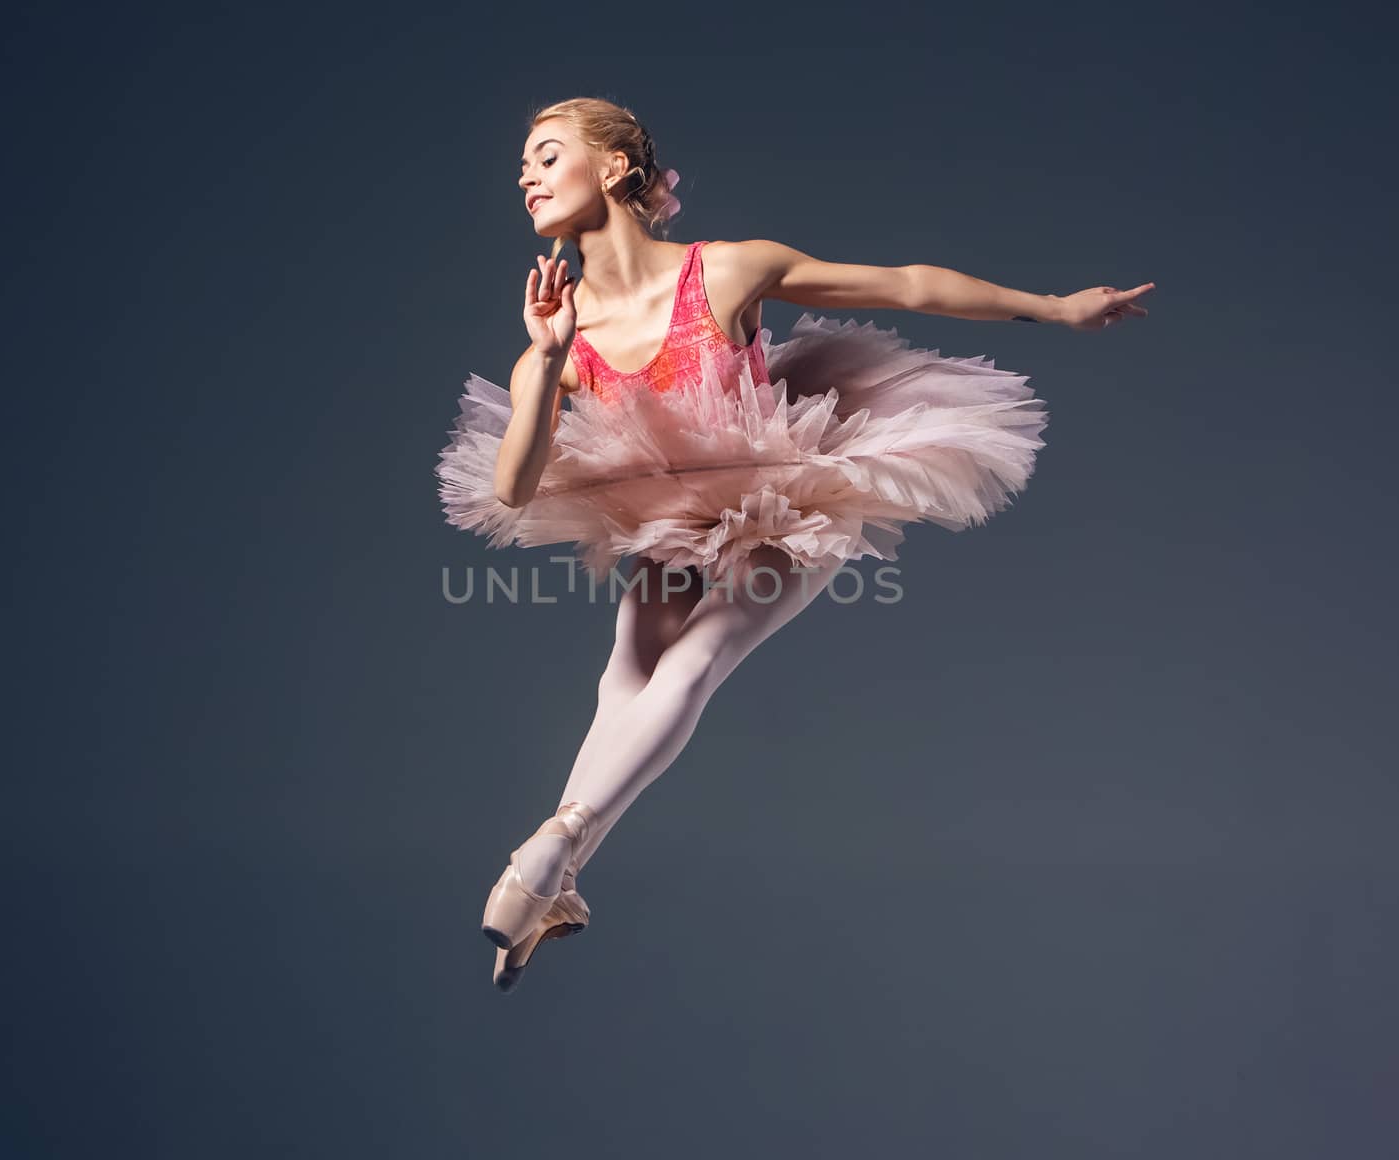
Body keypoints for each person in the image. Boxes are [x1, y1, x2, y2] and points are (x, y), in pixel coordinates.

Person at [435, 96, 1154, 992]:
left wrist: (1054, 308)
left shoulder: (724, 270)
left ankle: (553, 856)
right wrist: (545, 361)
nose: (526, 176)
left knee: (690, 657)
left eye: (546, 155)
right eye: (523, 166)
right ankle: (552, 863)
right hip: (670, 511)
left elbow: (906, 284)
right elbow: (511, 488)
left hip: (787, 490)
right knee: (631, 668)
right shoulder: (561, 335)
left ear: (616, 168)